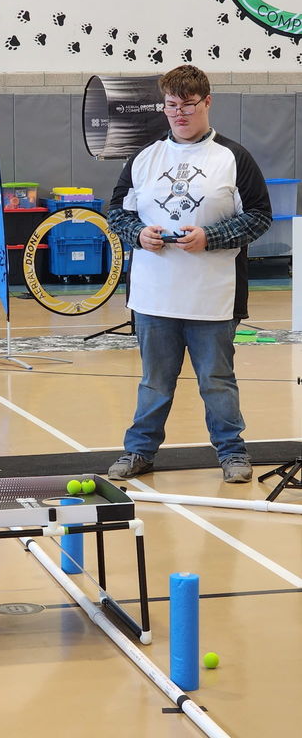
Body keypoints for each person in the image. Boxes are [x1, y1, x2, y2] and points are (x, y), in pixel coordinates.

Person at [107, 64, 272, 484]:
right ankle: (139, 451)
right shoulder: (144, 157)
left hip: (213, 295)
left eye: (189, 105)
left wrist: (211, 237)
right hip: (153, 296)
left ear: (207, 102)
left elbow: (259, 216)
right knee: (154, 383)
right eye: (172, 105)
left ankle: (232, 453)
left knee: (217, 381)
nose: (179, 113)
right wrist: (139, 234)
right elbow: (117, 213)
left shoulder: (234, 158)